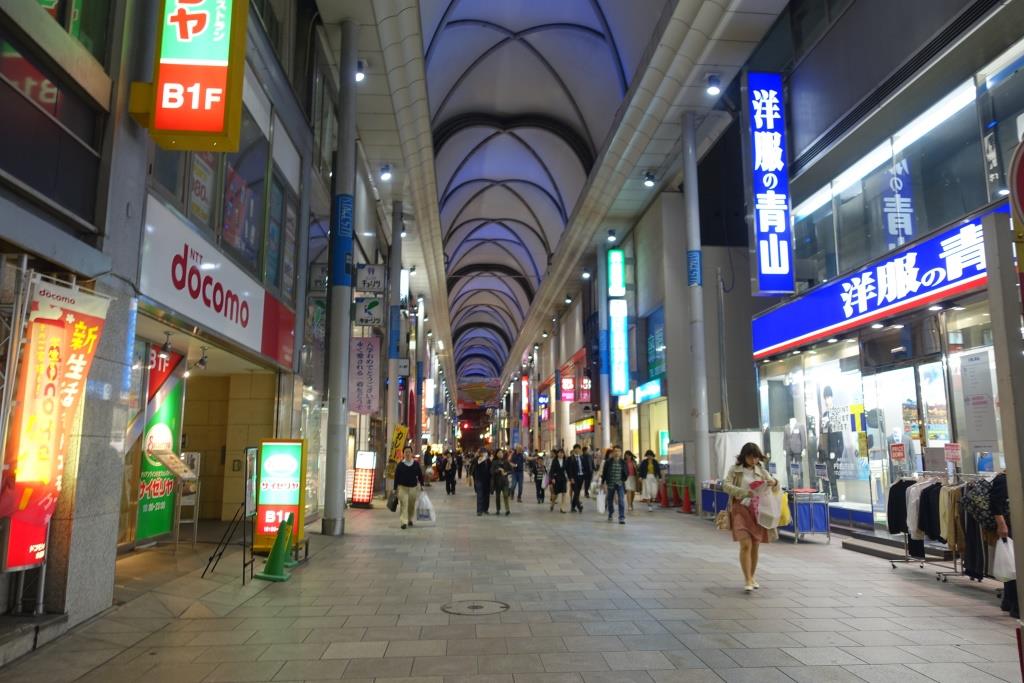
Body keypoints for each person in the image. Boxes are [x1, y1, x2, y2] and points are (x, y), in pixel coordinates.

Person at [723, 442, 778, 592]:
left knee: (755, 545)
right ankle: (747, 579)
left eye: (756, 458)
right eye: (750, 457)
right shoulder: (735, 470)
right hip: (740, 509)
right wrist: (744, 492)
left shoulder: (761, 470)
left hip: (757, 510)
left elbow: (774, 485)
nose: (753, 461)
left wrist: (774, 482)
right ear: (744, 456)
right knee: (746, 544)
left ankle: (752, 577)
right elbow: (725, 486)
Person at [992, 471, 1018, 618]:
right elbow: (995, 503)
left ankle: (1008, 601)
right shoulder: (1004, 479)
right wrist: (1002, 525)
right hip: (1010, 526)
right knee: (1014, 566)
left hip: (1014, 524)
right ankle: (1016, 606)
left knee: (1013, 565)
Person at [393, 446, 424, 529]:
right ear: (403, 454)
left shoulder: (416, 464)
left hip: (413, 488)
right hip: (402, 488)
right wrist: (395, 488)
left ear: (411, 453)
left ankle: (410, 518)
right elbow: (396, 477)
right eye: (406, 452)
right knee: (404, 504)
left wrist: (422, 484)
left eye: (409, 452)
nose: (407, 453)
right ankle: (403, 522)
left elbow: (420, 475)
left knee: (411, 505)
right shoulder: (400, 465)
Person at [600, 447, 627, 524]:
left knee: (621, 500)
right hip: (610, 483)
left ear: (621, 452)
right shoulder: (608, 462)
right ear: (613, 452)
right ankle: (610, 513)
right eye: (615, 451)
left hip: (620, 483)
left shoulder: (623, 462)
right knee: (610, 499)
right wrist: (602, 482)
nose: (617, 453)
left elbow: (626, 472)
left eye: (618, 451)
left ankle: (621, 517)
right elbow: (604, 473)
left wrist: (623, 480)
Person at [567, 445, 587, 513]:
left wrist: (584, 475)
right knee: (576, 492)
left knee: (577, 493)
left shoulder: (582, 458)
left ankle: (572, 507)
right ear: (574, 449)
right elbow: (569, 469)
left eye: (578, 449)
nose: (577, 450)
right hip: (574, 478)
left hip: (581, 477)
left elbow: (584, 466)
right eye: (576, 449)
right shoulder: (570, 458)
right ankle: (579, 506)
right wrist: (571, 478)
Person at [548, 448, 569, 513]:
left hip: (563, 479)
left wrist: (569, 477)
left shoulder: (565, 461)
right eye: (559, 453)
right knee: (555, 494)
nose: (561, 454)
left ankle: (562, 508)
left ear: (563, 454)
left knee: (564, 493)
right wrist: (552, 478)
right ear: (557, 454)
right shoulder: (555, 461)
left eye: (562, 453)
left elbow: (568, 470)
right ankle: (552, 503)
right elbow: (551, 471)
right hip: (556, 479)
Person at [492, 450, 512, 515]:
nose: (501, 454)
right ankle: (498, 509)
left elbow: (511, 470)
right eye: (499, 453)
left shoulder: (506, 461)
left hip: (505, 481)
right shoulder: (494, 462)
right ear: (496, 454)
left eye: (501, 453)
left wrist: (506, 473)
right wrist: (498, 470)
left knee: (506, 495)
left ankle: (507, 509)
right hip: (497, 482)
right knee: (497, 496)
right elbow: (491, 471)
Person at [474, 450, 491, 516]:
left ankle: (485, 509)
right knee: (480, 495)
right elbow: (476, 464)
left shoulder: (488, 460)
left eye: (485, 453)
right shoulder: (477, 459)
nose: (484, 454)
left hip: (487, 480)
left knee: (486, 495)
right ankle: (479, 510)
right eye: (483, 453)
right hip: (479, 480)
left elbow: (490, 468)